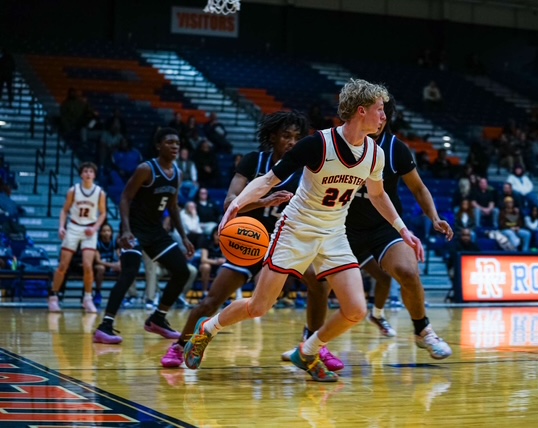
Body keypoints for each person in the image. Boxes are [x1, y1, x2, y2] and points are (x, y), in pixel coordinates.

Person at [183, 79, 424, 382]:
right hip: (296, 229)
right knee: (259, 307)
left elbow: (378, 195)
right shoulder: (318, 144)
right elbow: (269, 179)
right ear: (361, 111)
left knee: (356, 309)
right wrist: (236, 205)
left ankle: (307, 351)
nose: (385, 116)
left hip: (334, 233)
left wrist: (403, 230)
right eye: (380, 110)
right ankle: (208, 328)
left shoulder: (375, 154)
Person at [159, 111, 333, 368]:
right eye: (286, 136)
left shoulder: (307, 170)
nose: (292, 142)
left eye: (297, 137)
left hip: (286, 242)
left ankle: (312, 345)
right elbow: (230, 202)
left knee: (320, 282)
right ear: (272, 137)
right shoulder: (254, 162)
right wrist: (263, 201)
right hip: (249, 241)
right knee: (211, 301)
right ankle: (181, 344)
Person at [294, 95, 453, 360]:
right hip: (341, 227)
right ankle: (310, 342)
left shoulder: (394, 149)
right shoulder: (332, 143)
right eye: (376, 111)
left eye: (383, 112)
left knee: (407, 270)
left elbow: (418, 187)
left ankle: (422, 330)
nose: (380, 118)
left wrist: (434, 217)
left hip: (383, 226)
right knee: (320, 283)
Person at [92, 128, 195, 344]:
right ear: (158, 146)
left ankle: (158, 318)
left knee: (182, 271)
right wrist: (126, 230)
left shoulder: (177, 173)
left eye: (177, 142)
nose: (175, 146)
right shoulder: (146, 169)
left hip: (155, 231)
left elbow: (174, 207)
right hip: (134, 230)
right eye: (169, 142)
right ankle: (105, 326)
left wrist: (183, 237)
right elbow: (125, 198)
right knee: (129, 272)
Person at [48, 162, 107, 313]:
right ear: (81, 174)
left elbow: (103, 213)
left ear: (94, 175)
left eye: (91, 171)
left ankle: (87, 299)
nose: (88, 174)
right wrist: (61, 227)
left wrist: (95, 228)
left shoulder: (100, 192)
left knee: (88, 265)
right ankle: (53, 297)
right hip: (74, 227)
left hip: (89, 229)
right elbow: (64, 210)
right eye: (85, 171)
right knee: (63, 266)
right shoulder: (73, 190)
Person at [93, 222, 121, 308]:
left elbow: (120, 255)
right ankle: (98, 293)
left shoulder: (114, 243)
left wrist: (120, 262)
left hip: (110, 265)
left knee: (122, 268)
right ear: (100, 233)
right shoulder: (96, 243)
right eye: (104, 231)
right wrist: (112, 265)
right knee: (101, 268)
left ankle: (119, 294)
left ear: (111, 232)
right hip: (99, 266)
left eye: (108, 231)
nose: (106, 233)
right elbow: (97, 260)